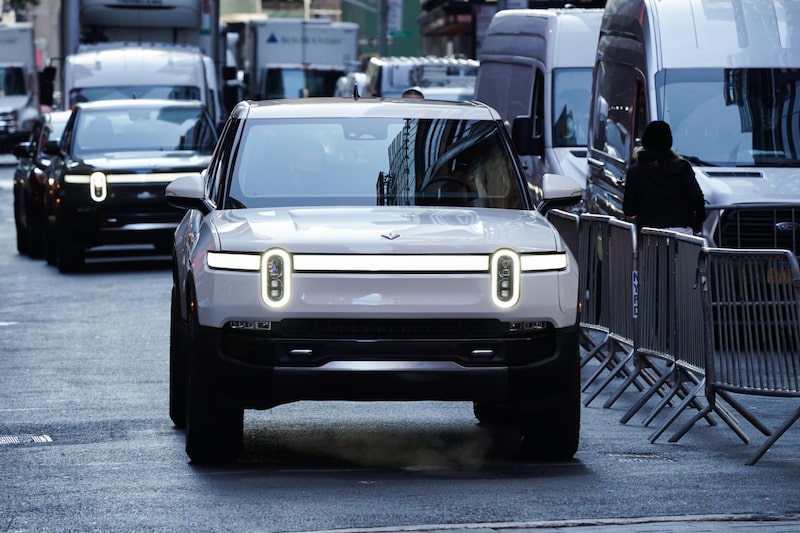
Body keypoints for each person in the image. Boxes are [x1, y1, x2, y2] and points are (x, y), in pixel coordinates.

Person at [622, 120, 705, 235]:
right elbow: (697, 197)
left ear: (645, 141)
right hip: (682, 234)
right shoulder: (683, 167)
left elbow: (628, 209)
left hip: (649, 236)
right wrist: (697, 221)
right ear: (669, 141)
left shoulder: (635, 171)